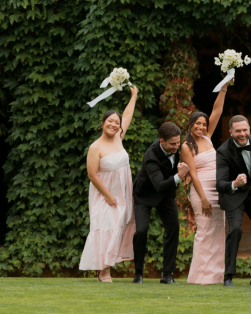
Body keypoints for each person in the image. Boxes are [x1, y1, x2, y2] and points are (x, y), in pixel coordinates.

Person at [79, 87, 139, 282]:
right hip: (103, 194)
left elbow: (127, 115)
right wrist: (108, 196)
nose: (114, 124)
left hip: (122, 193)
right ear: (103, 123)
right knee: (106, 228)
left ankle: (105, 268)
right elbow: (92, 174)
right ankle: (104, 271)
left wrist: (134, 96)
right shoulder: (95, 147)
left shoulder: (119, 139)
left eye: (117, 122)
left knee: (117, 229)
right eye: (110, 121)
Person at [215, 101, 251, 287]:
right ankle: (228, 276)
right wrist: (234, 183)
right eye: (237, 131)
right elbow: (220, 184)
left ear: (249, 129)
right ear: (230, 132)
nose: (242, 134)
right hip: (234, 195)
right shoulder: (223, 151)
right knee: (236, 230)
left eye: (245, 130)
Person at [132, 122, 189, 284]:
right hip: (145, 193)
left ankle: (167, 274)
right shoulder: (151, 157)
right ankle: (138, 273)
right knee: (141, 230)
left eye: (178, 142)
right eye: (172, 144)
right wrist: (180, 176)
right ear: (161, 141)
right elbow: (159, 185)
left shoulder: (176, 148)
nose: (176, 146)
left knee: (173, 228)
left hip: (166, 194)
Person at [181, 108, 225, 285]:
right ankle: (199, 276)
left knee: (218, 232)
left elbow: (217, 111)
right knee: (204, 232)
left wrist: (223, 92)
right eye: (197, 123)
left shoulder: (207, 137)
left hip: (218, 191)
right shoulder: (187, 146)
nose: (201, 127)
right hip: (202, 192)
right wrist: (204, 199)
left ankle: (215, 276)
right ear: (190, 125)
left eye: (204, 124)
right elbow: (193, 174)